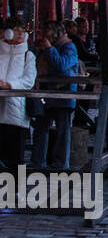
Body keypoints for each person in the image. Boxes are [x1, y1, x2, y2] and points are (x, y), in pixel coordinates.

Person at [39, 21, 79, 170]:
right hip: (50, 94)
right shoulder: (58, 47)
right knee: (42, 126)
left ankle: (61, 163)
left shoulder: (69, 47)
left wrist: (49, 49)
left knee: (62, 129)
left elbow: (62, 65)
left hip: (64, 94)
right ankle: (41, 160)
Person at [0, 20, 35, 176]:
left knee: (16, 156)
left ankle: (15, 190)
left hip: (17, 112)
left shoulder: (28, 55)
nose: (21, 33)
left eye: (22, 30)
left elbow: (29, 80)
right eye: (16, 29)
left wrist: (9, 85)